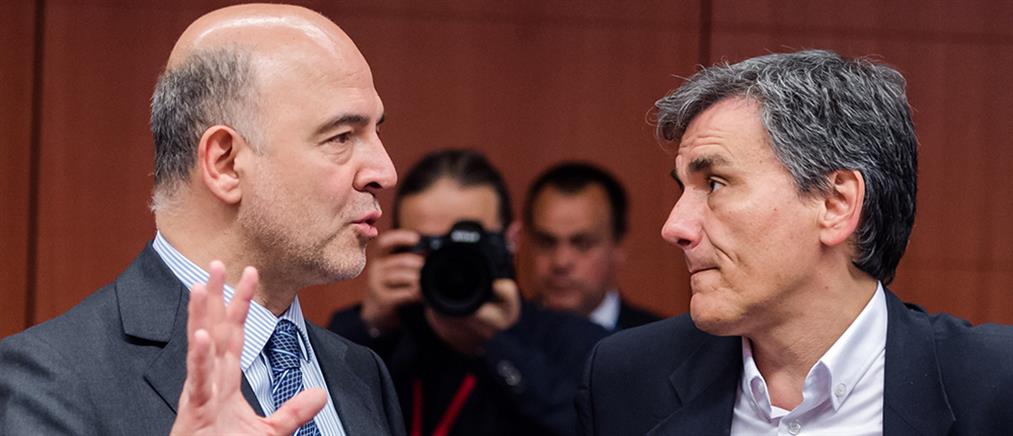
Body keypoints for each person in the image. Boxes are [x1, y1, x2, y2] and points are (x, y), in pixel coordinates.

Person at [0, 4, 406, 435]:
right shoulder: (51, 378)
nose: (385, 171)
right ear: (225, 163)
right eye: (341, 137)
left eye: (376, 133)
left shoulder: (362, 372)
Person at [577, 49, 1013, 435]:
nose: (675, 227)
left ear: (836, 203)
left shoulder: (993, 386)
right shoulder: (626, 380)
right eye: (683, 189)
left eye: (715, 184)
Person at [329, 149, 607, 436]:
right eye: (432, 246)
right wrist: (372, 327)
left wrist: (495, 345)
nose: (451, 262)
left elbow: (583, 427)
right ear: (399, 246)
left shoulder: (581, 345)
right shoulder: (375, 338)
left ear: (511, 241)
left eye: (468, 244)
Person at [522, 162, 660, 331]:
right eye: (546, 242)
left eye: (583, 244)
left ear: (618, 244)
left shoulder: (657, 340)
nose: (561, 262)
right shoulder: (500, 337)